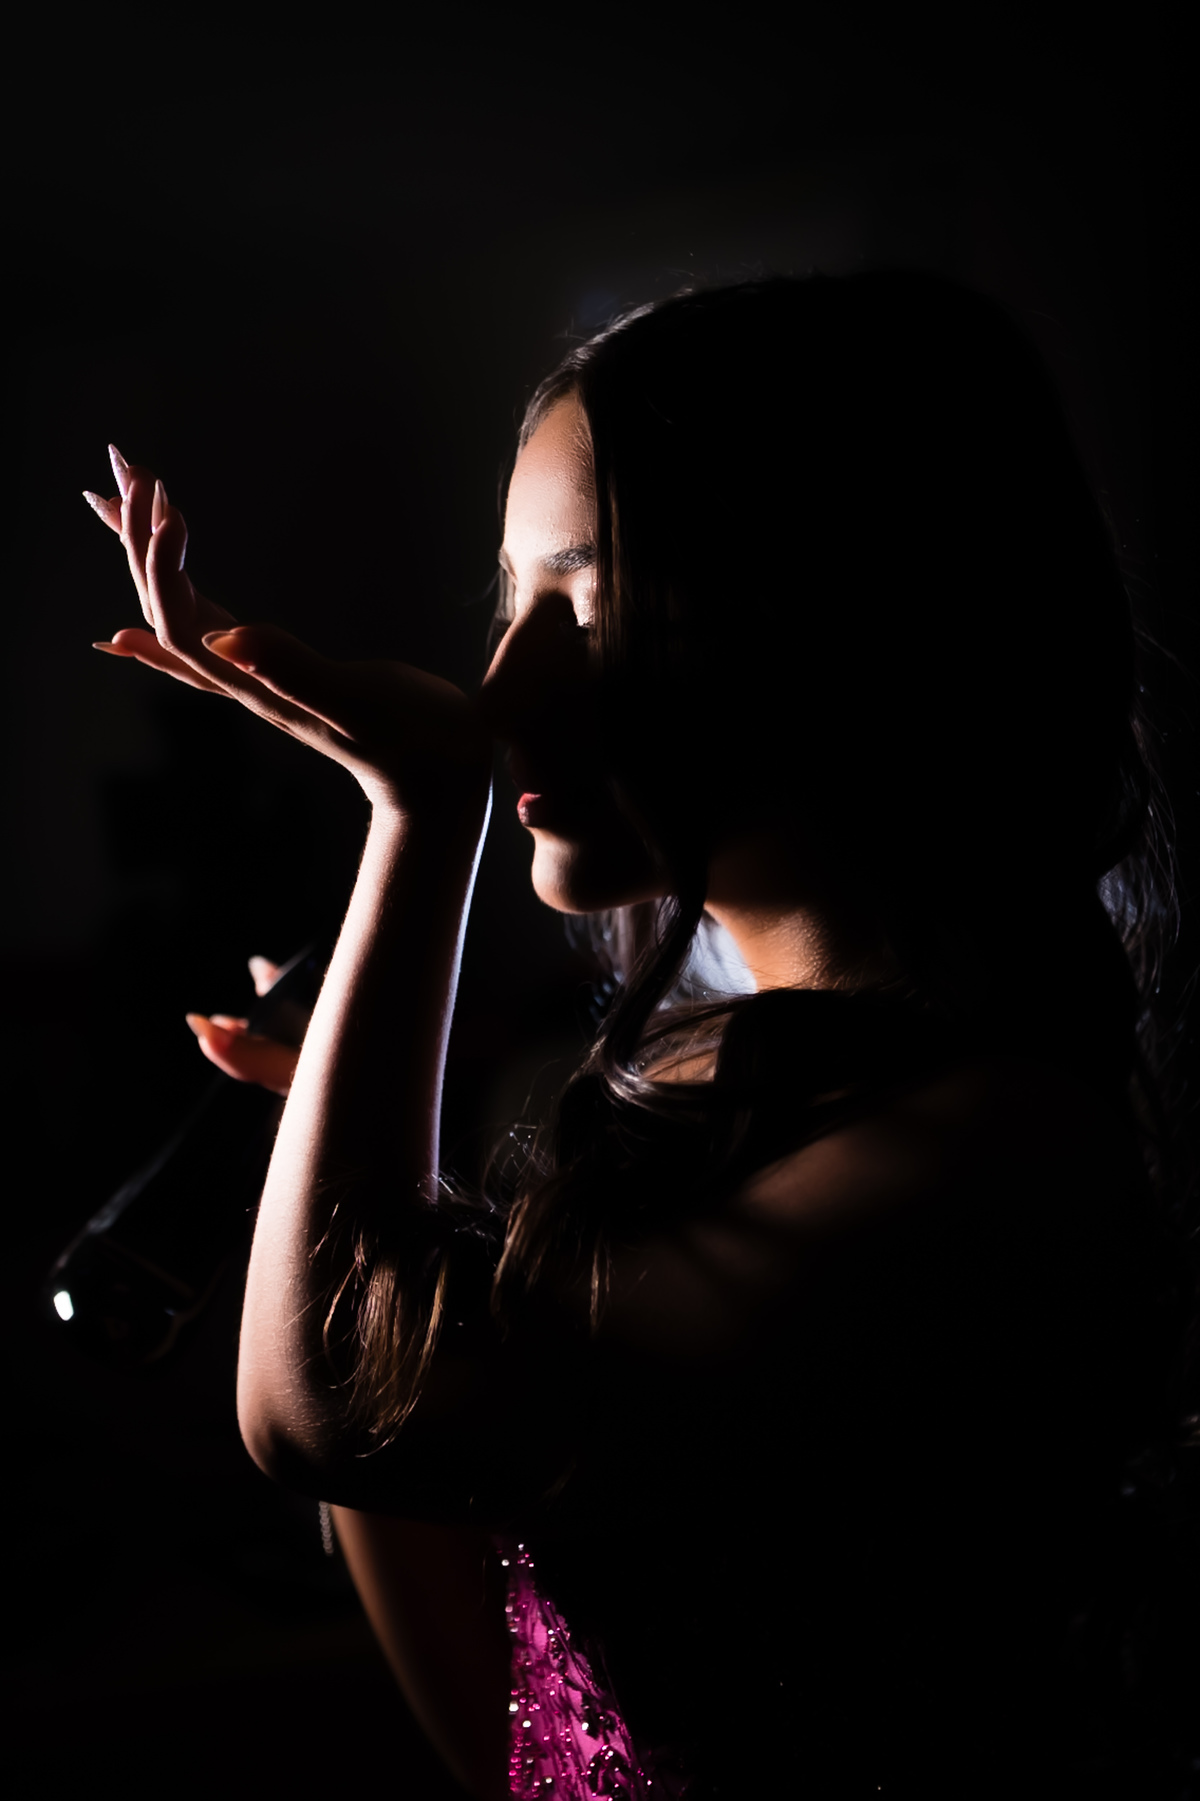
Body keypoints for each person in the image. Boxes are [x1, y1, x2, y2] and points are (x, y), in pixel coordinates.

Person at [85, 272, 1198, 1798]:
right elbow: (519, 1728)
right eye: (513, 603)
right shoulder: (709, 1082)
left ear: (853, 616)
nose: (501, 691)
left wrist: (419, 816)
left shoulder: (991, 1153)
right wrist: (331, 1146)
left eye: (592, 603)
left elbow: (319, 1405)